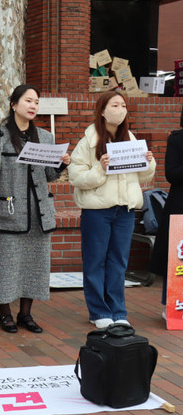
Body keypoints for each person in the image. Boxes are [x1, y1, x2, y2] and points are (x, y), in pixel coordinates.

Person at [0, 84, 70, 334]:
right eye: (28, 101)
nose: (33, 106)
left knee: (34, 265)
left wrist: (62, 164)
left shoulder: (45, 136)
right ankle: (5, 314)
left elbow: (49, 175)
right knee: (6, 265)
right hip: (8, 211)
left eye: (36, 102)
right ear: (13, 104)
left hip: (39, 212)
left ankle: (26, 314)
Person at [70, 91, 156, 329]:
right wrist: (100, 168)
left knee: (118, 262)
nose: (121, 109)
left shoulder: (129, 137)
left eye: (123, 105)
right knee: (95, 261)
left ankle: (118, 311)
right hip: (98, 210)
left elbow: (142, 175)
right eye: (115, 104)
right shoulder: (88, 140)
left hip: (125, 210)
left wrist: (149, 162)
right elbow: (76, 177)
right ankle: (98, 312)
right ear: (102, 110)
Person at [150, 106, 183, 308]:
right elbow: (171, 174)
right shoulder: (176, 139)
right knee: (177, 258)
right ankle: (171, 305)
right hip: (180, 206)